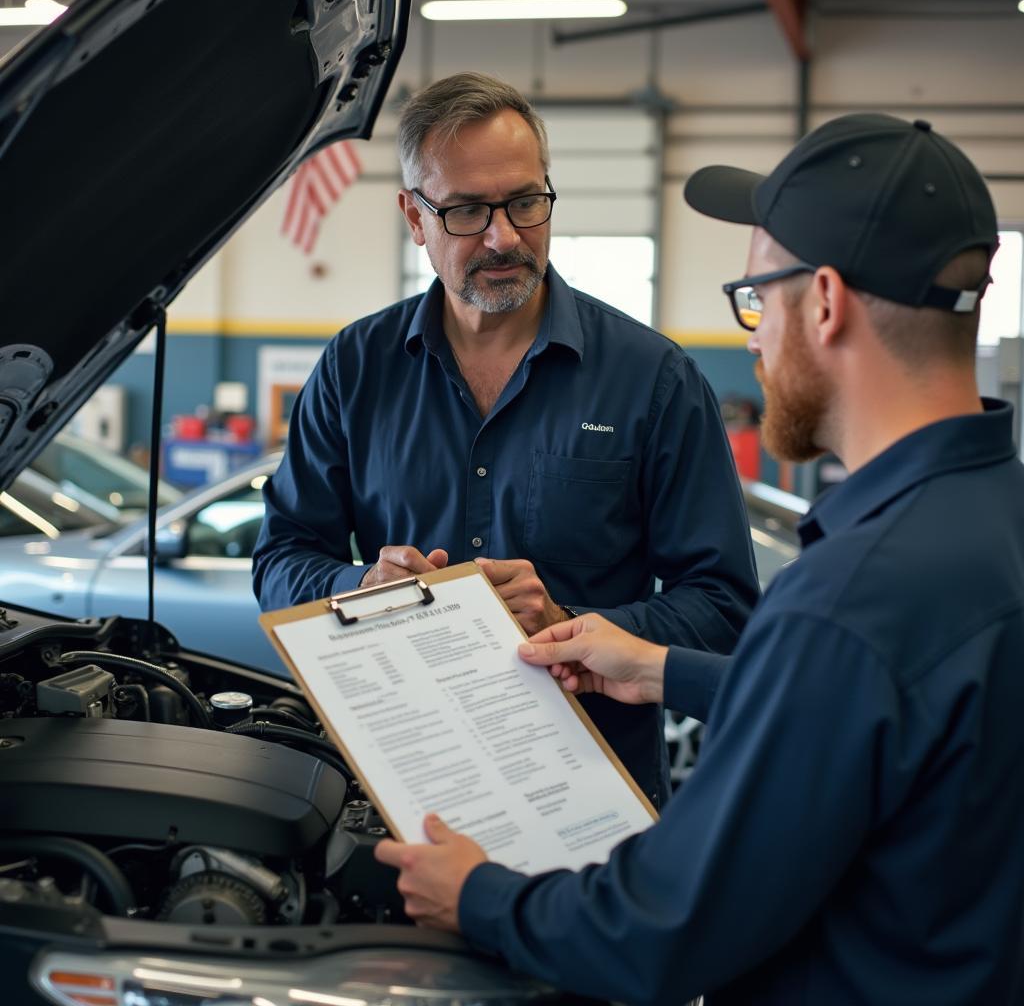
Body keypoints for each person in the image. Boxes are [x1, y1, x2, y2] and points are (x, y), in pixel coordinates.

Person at [373, 113, 1024, 1005]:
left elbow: (666, 930)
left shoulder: (852, 601)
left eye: (757, 298)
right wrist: (664, 669)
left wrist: (477, 896)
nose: (752, 339)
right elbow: (883, 714)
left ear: (825, 303)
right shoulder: (991, 525)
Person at [252, 72, 760, 807]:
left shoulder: (654, 380)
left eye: (525, 201)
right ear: (413, 215)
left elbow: (723, 605)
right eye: (465, 211)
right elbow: (280, 561)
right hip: (401, 787)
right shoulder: (355, 368)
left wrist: (571, 623)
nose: (504, 236)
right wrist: (360, 587)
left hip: (594, 792)